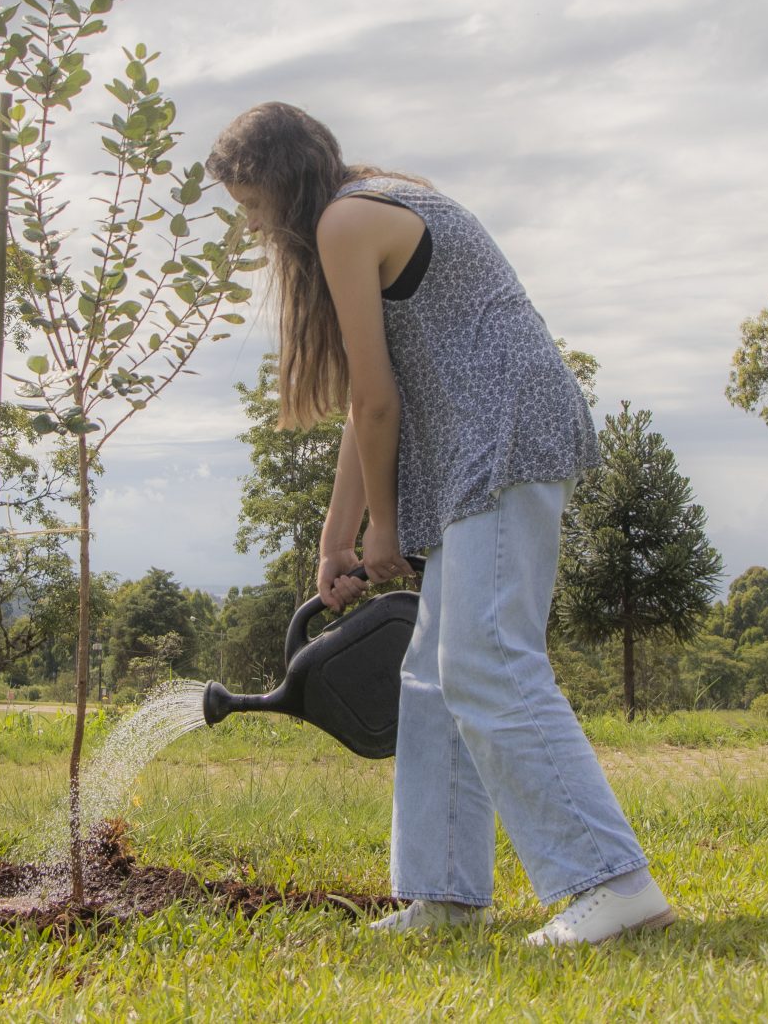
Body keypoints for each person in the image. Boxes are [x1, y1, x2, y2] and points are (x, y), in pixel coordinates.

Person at [206, 101, 673, 948]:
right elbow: (364, 400)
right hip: (472, 445)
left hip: (503, 434)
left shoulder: (349, 218)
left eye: (250, 207)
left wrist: (384, 528)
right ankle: (445, 893)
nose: (252, 227)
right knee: (431, 676)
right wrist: (335, 536)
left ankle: (612, 882)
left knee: (487, 656)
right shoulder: (366, 203)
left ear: (281, 184)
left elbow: (379, 399)